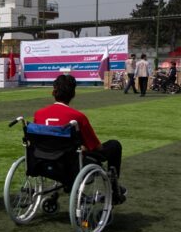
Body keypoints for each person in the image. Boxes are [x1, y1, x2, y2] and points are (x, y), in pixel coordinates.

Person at [34, 75, 126, 204]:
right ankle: (113, 189)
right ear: (73, 94)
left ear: (53, 92)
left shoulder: (39, 114)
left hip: (43, 161)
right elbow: (96, 147)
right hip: (70, 163)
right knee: (114, 145)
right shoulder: (77, 117)